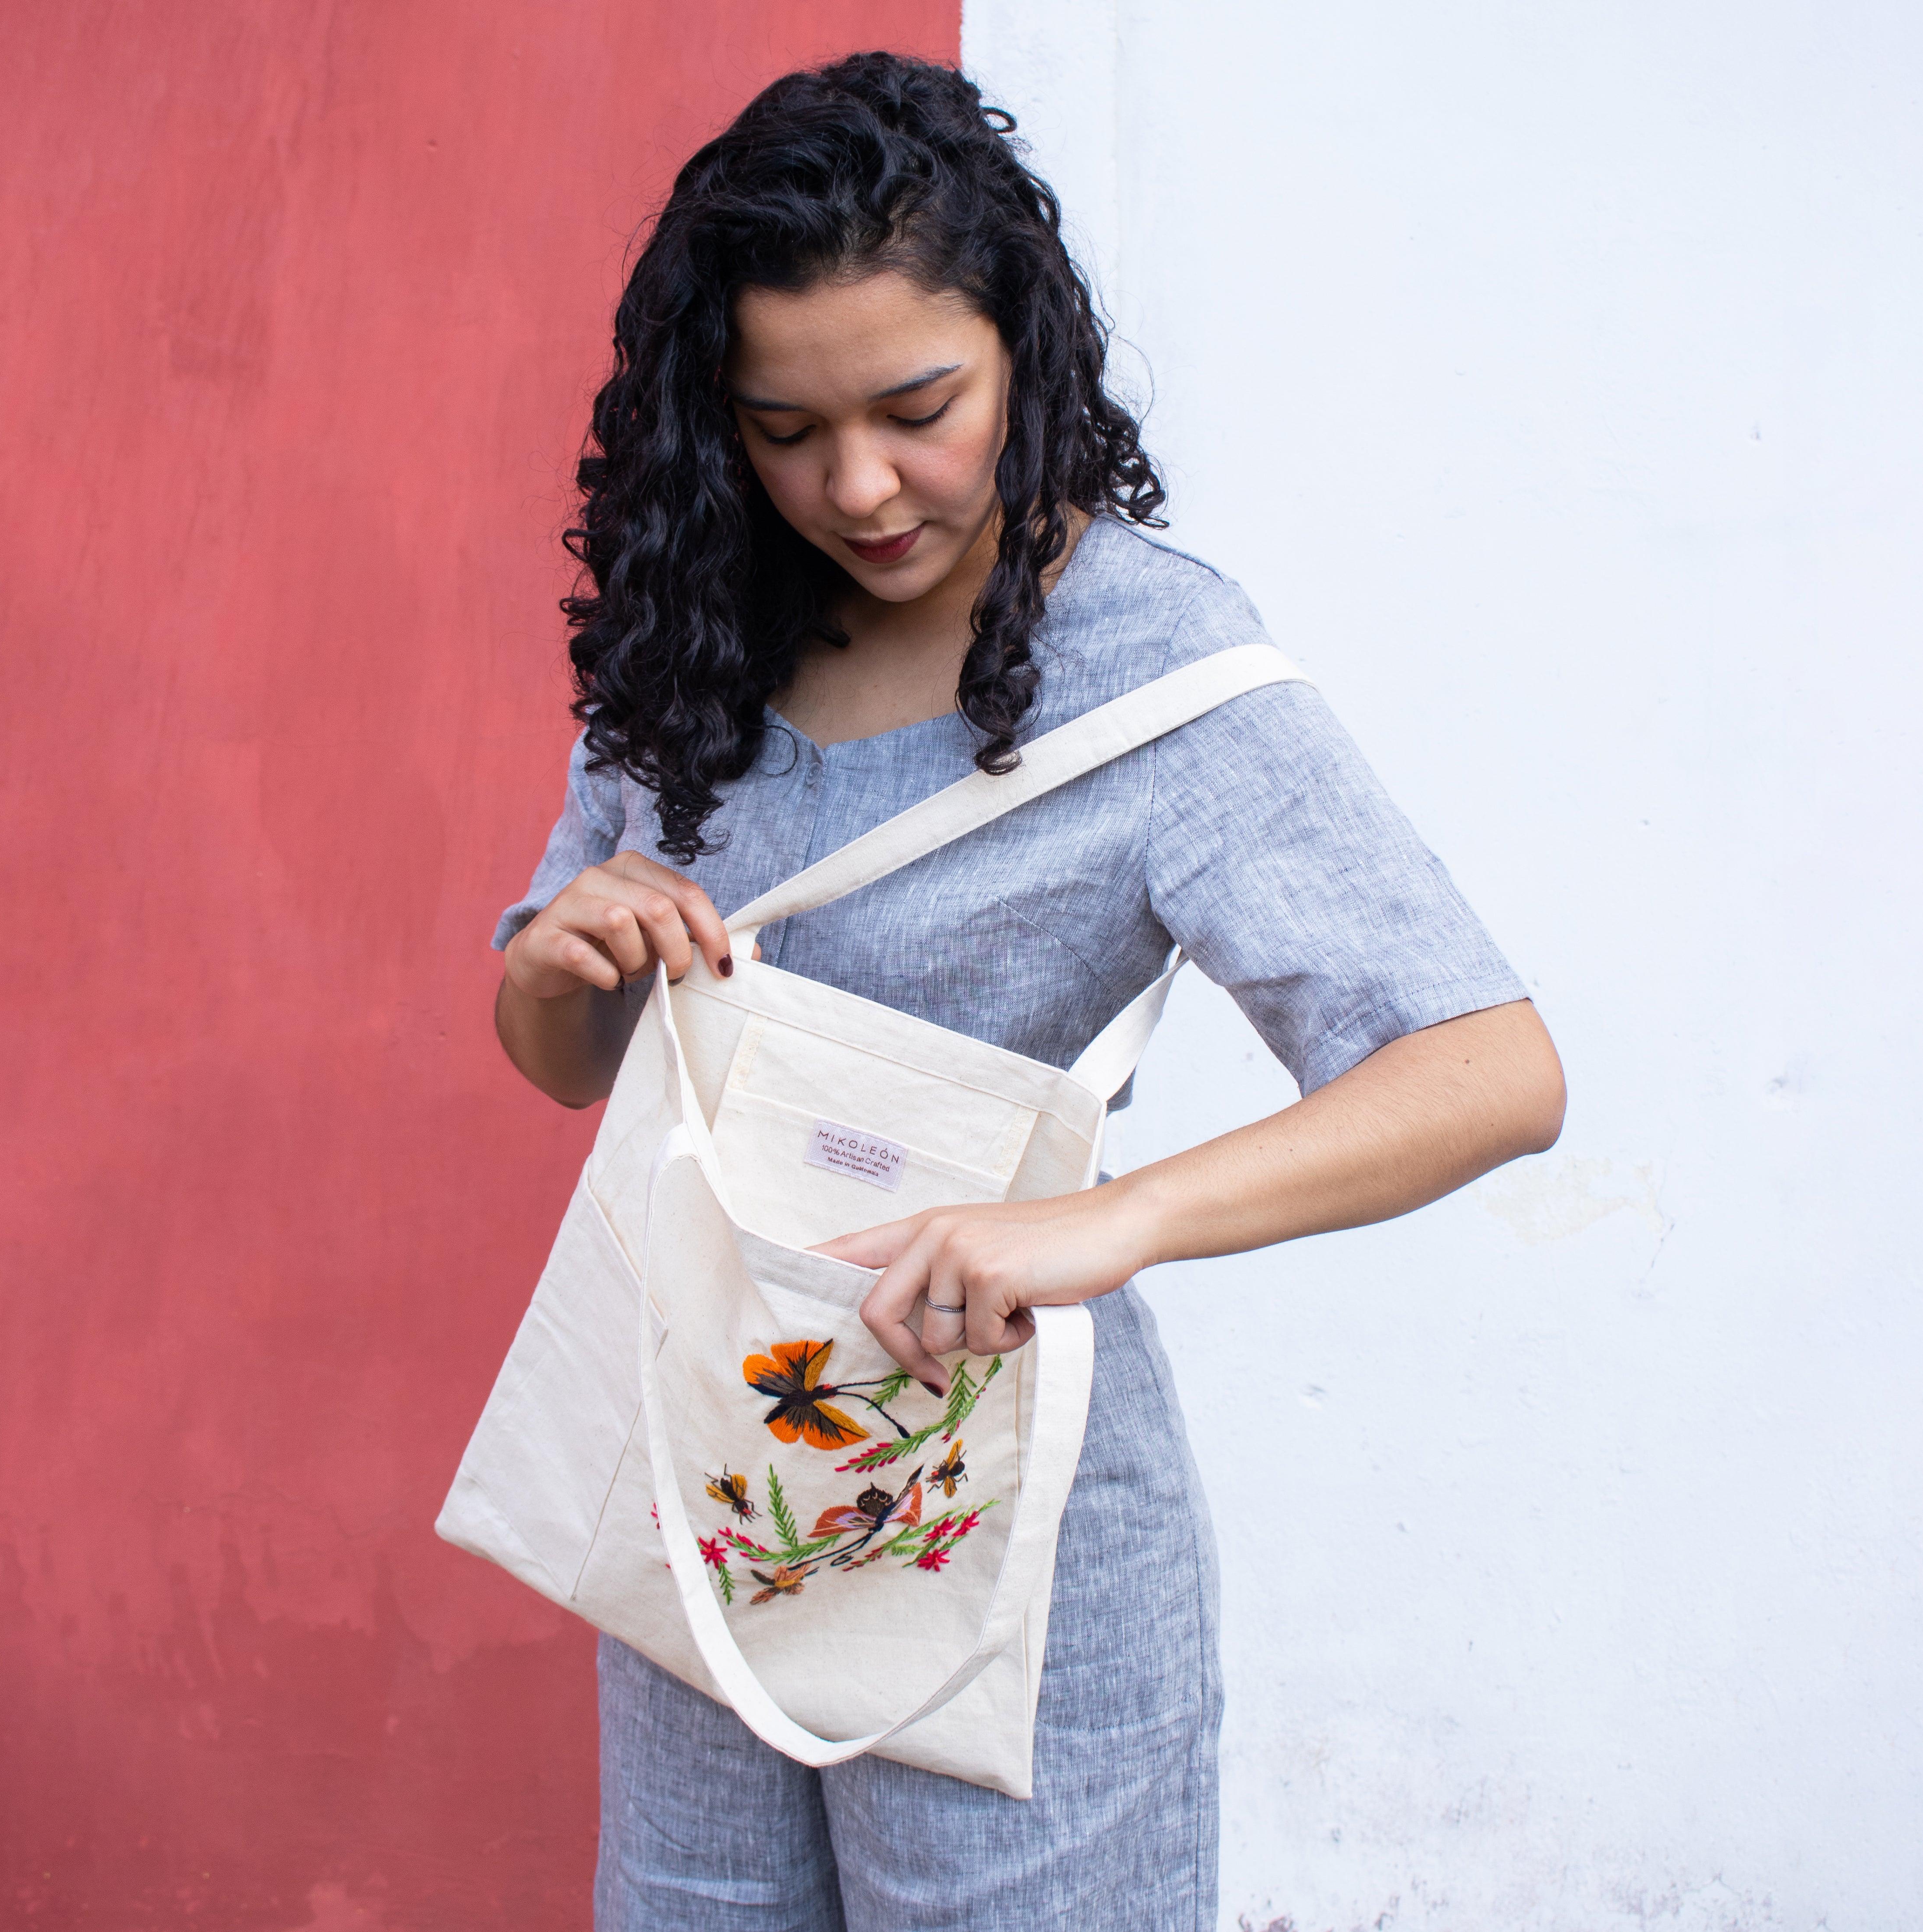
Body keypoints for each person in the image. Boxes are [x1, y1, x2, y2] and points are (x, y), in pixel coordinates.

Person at [491, 51, 1564, 1932]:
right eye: (781, 427)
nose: (855, 484)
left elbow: (1486, 1063)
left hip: (1010, 1504)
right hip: (710, 1470)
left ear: (1024, 354)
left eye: (918, 407)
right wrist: (561, 955)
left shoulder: (1146, 660)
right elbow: (560, 1064)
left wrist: (1105, 1218)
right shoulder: (697, 633)